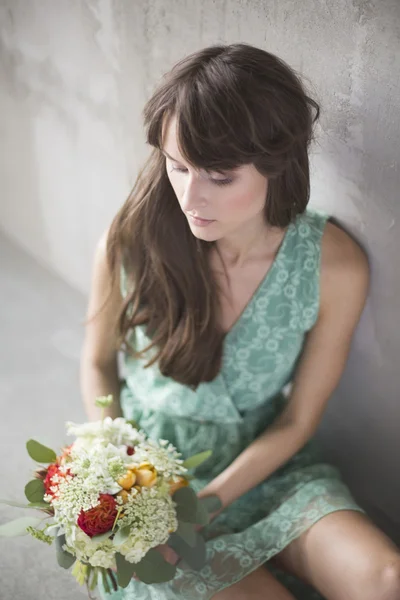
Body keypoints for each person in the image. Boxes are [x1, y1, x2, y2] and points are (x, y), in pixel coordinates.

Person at [81, 43, 400, 600]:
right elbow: (97, 360)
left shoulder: (332, 263)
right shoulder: (131, 239)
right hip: (153, 474)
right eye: (176, 167)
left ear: (279, 163)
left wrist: (207, 505)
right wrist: (119, 464)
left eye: (219, 176)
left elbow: (299, 418)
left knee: (386, 580)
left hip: (267, 462)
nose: (189, 196)